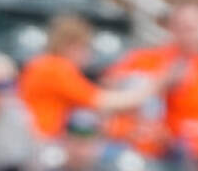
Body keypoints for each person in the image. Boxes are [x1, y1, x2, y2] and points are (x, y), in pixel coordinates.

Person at [102, 1, 198, 158]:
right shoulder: (146, 59)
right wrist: (159, 83)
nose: (188, 35)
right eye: (182, 28)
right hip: (139, 141)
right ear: (171, 29)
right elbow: (108, 88)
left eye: (192, 28)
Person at [16, 11, 139, 141]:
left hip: (40, 138)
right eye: (86, 48)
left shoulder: (45, 64)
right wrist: (147, 89)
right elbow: (102, 100)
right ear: (72, 46)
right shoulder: (54, 68)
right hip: (41, 140)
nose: (89, 55)